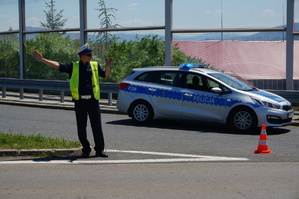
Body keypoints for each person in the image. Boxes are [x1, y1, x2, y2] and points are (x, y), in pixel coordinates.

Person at [33, 43, 113, 158]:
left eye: (91, 54)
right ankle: (86, 149)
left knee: (97, 127)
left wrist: (108, 66)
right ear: (82, 56)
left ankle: (99, 150)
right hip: (79, 102)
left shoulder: (95, 65)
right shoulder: (73, 66)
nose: (91, 56)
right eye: (88, 54)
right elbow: (57, 65)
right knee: (81, 127)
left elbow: (106, 75)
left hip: (93, 101)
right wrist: (42, 59)